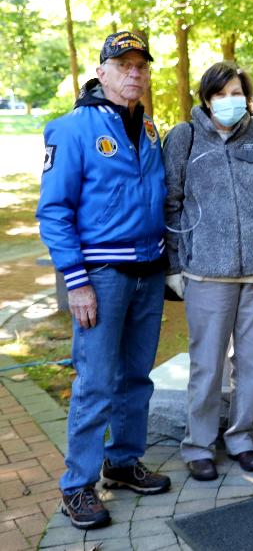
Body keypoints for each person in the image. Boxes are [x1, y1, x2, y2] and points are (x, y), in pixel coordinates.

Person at [37, 31, 171, 530]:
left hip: (149, 273)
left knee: (136, 377)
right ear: (102, 71)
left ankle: (123, 462)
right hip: (102, 276)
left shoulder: (152, 129)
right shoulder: (71, 130)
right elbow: (54, 212)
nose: (134, 73)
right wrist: (76, 282)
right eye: (124, 64)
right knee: (95, 382)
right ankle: (78, 485)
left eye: (141, 65)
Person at [163, 61, 253, 481]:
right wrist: (173, 266)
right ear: (205, 99)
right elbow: (170, 204)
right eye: (220, 94)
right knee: (207, 364)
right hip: (206, 273)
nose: (229, 101)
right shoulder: (184, 139)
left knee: (252, 363)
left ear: (247, 96)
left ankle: (241, 439)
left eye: (236, 92)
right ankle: (199, 445)